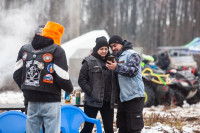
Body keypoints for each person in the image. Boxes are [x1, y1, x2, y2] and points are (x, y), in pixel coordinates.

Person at [13, 21, 73, 133]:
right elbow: (62, 77)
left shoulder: (25, 49)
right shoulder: (57, 50)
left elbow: (16, 74)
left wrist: (27, 88)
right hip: (51, 100)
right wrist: (70, 89)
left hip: (31, 99)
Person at [106, 35, 145, 133]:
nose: (113, 48)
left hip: (134, 97)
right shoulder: (116, 58)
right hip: (122, 99)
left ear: (121, 44)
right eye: (111, 47)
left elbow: (132, 71)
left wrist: (116, 67)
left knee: (134, 129)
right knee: (122, 128)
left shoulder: (132, 54)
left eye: (115, 45)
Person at [78, 36, 118, 133]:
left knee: (109, 129)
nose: (104, 51)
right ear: (97, 49)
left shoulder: (112, 61)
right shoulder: (89, 61)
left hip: (107, 102)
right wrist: (91, 92)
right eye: (101, 49)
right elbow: (81, 80)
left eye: (105, 49)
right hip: (92, 101)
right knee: (88, 128)